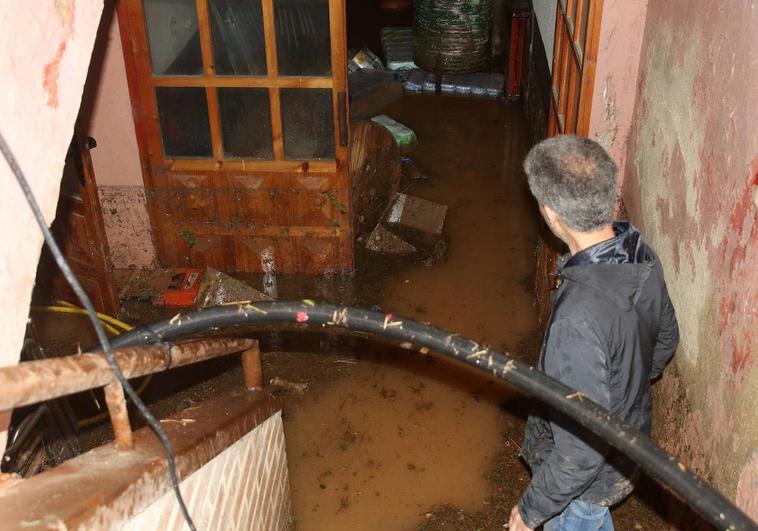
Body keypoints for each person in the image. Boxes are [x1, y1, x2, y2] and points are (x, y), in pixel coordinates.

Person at [508, 135, 679, 531]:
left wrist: (530, 510)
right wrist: (629, 386)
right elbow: (667, 336)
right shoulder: (639, 255)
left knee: (582, 518)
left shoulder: (577, 320)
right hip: (629, 444)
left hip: (587, 482)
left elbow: (580, 451)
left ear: (551, 214)